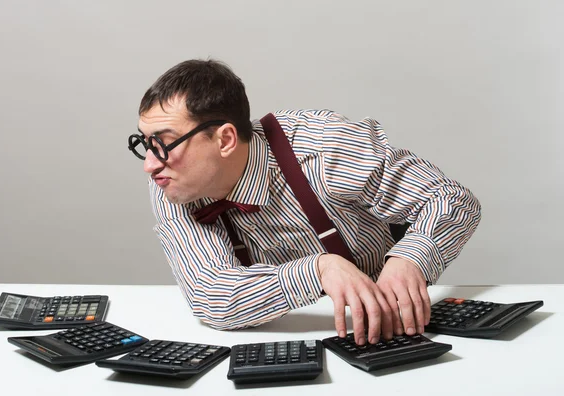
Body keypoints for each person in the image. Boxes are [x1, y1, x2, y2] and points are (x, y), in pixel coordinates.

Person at [129, 59, 482, 346]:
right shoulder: (172, 185)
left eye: (164, 144)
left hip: (391, 334)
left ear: (225, 139)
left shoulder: (325, 146)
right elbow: (213, 295)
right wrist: (319, 269)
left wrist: (409, 260)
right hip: (292, 343)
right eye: (145, 144)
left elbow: (452, 199)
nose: (149, 164)